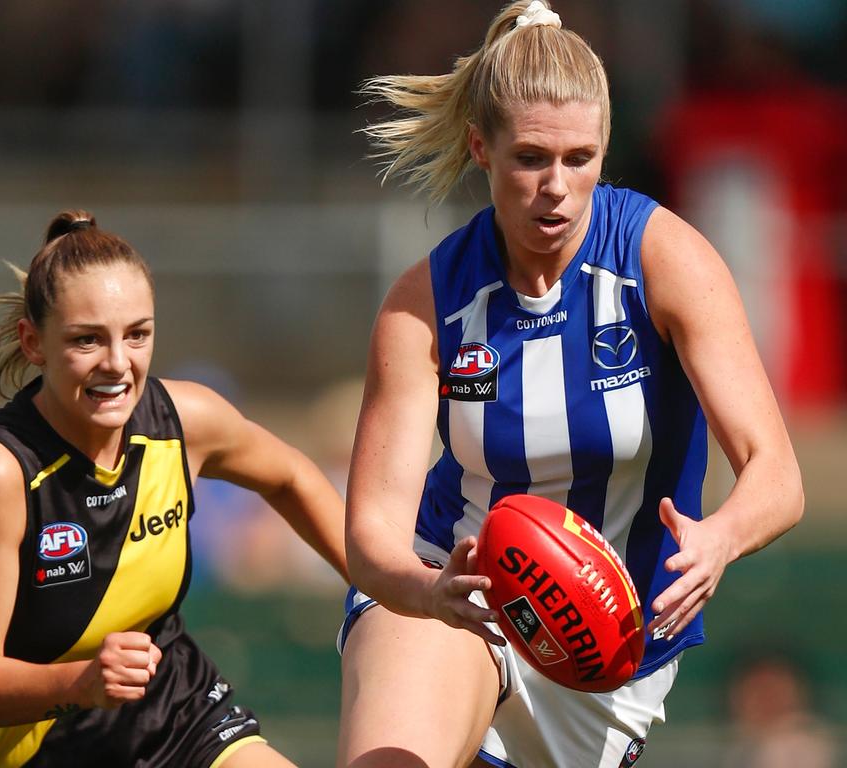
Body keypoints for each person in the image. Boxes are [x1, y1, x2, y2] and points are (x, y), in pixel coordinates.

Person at [335, 2, 805, 767]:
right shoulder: (424, 304)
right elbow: (371, 535)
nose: (557, 186)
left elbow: (778, 475)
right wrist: (424, 594)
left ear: (605, 149)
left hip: (608, 653)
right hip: (463, 600)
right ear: (480, 148)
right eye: (531, 159)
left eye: (580, 158)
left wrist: (719, 539)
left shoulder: (664, 260)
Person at [0, 210, 348, 768]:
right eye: (87, 340)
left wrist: (382, 586)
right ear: (33, 343)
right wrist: (80, 682)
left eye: (138, 335)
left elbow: (292, 476)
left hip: (177, 713)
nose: (118, 364)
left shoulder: (185, 419)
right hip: (40, 751)